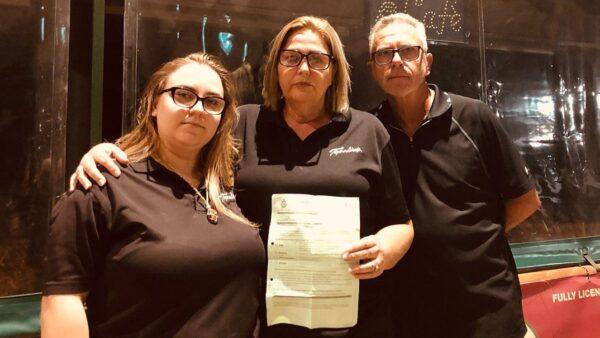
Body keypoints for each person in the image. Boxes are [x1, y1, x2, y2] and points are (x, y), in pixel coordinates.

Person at [69, 16, 414, 338]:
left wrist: (386, 250)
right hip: (254, 322)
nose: (303, 68)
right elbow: (174, 153)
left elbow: (401, 223)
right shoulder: (241, 124)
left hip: (353, 322)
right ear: (275, 68)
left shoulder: (368, 130)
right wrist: (112, 154)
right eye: (291, 57)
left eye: (317, 59)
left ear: (334, 71)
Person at [41, 52, 265, 338]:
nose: (197, 109)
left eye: (212, 102)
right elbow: (63, 298)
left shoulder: (232, 184)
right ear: (153, 104)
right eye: (183, 95)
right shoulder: (102, 186)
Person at [368, 13, 541, 338]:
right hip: (408, 311)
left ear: (427, 62)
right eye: (384, 53)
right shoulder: (370, 130)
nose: (396, 61)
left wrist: (476, 239)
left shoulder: (474, 116)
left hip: (486, 308)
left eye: (408, 51)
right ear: (373, 68)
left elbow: (526, 200)